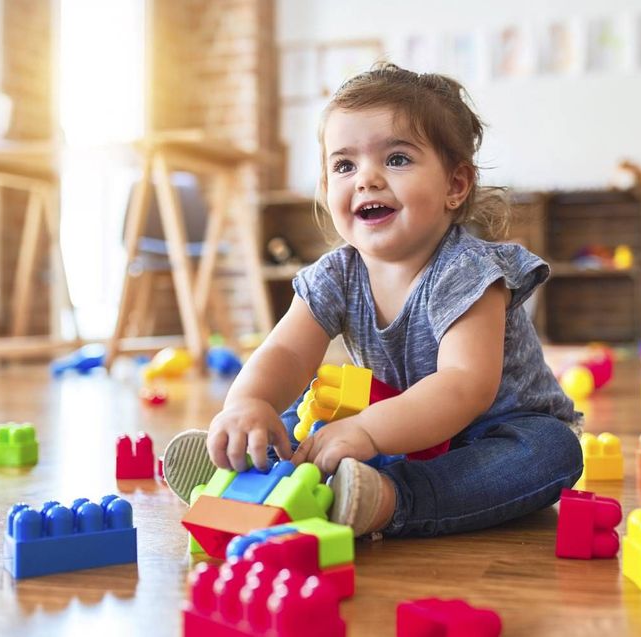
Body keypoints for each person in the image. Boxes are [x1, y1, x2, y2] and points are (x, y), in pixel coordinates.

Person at [163, 62, 583, 538]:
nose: (367, 179)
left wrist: (368, 432)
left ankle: (386, 499)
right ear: (327, 189)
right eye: (344, 165)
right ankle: (244, 467)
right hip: (395, 424)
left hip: (489, 433)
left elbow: (464, 385)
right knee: (301, 401)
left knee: (552, 451)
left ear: (455, 185)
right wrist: (249, 403)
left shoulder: (468, 271)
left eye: (397, 159)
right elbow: (285, 352)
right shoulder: (336, 274)